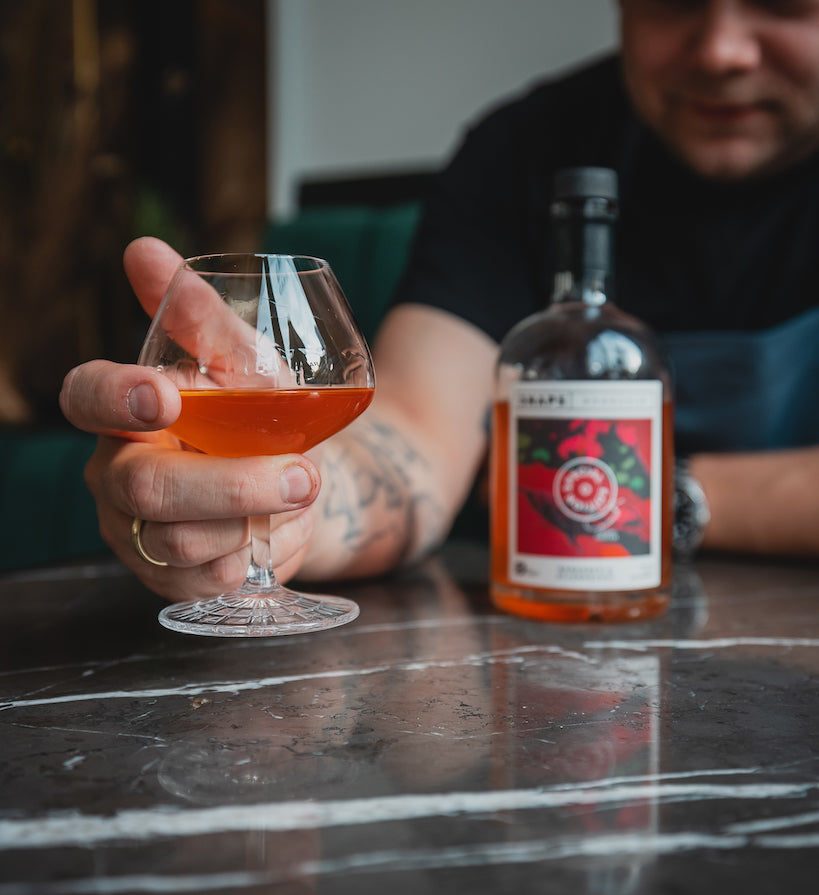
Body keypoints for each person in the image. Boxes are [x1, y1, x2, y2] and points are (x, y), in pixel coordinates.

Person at [59, 0, 819, 603]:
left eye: (781, 3)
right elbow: (412, 443)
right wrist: (275, 512)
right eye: (673, 1)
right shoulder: (527, 149)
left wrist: (665, 495)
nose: (722, 49)